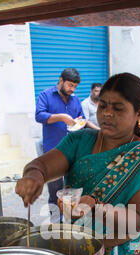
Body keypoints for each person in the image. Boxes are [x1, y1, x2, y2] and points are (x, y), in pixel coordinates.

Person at [16, 73, 140, 255]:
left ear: (138, 114)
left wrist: (96, 206)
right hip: (79, 250)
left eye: (118, 108)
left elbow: (137, 220)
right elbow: (41, 165)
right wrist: (34, 176)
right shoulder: (79, 141)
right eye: (102, 106)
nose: (107, 113)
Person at [35, 68, 85, 210]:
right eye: (70, 85)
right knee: (55, 190)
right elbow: (39, 115)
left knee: (72, 187)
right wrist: (61, 117)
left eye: (75, 86)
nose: (72, 89)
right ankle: (56, 222)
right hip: (53, 150)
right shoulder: (46, 95)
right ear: (61, 80)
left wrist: (79, 120)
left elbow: (82, 118)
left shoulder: (75, 100)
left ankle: (70, 217)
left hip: (73, 150)